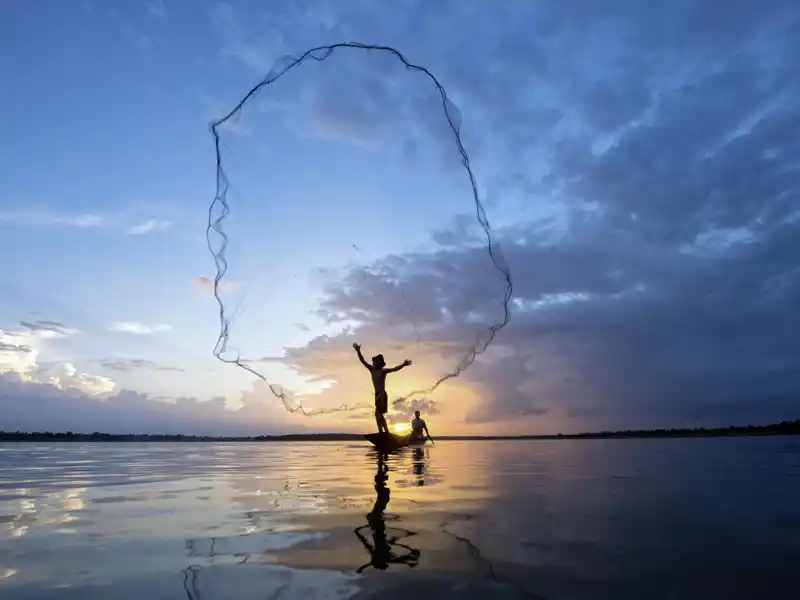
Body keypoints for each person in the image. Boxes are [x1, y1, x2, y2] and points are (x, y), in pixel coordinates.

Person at [353, 343, 412, 434]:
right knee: (379, 415)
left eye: (378, 361)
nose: (376, 362)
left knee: (378, 414)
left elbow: (394, 369)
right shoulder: (372, 369)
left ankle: (382, 432)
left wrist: (403, 364)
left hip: (382, 394)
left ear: (381, 363)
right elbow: (362, 361)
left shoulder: (383, 371)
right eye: (375, 361)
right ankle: (385, 431)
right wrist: (358, 351)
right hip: (377, 395)